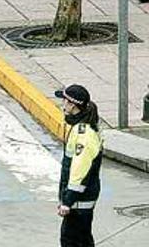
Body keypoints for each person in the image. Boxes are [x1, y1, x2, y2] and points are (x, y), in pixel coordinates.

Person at [54, 84, 102, 247]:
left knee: (71, 241)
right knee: (83, 240)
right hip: (81, 199)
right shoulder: (80, 127)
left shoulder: (84, 135)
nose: (63, 105)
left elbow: (79, 172)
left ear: (72, 105)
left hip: (80, 201)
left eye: (64, 101)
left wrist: (68, 201)